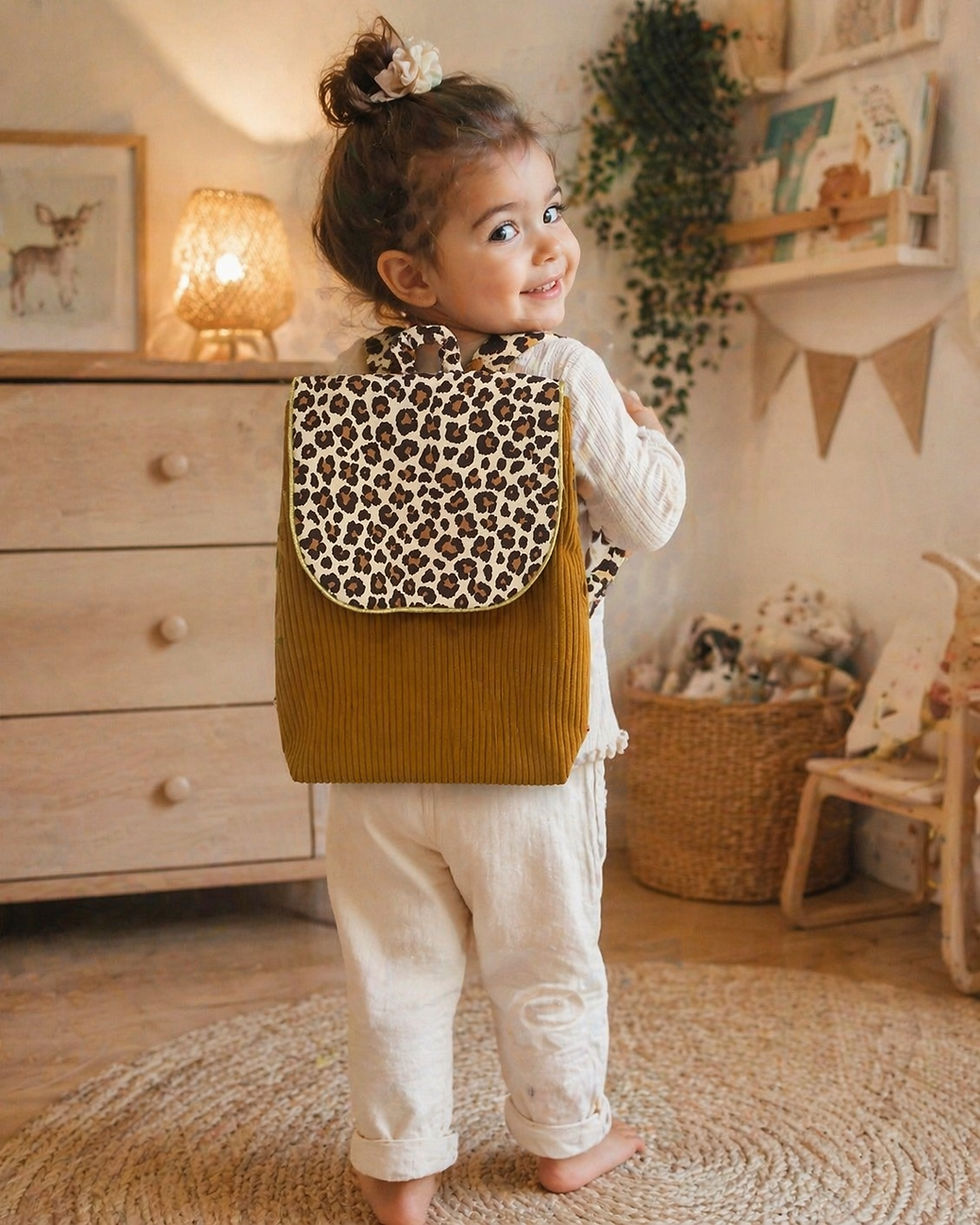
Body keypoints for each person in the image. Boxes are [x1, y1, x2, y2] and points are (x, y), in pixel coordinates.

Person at [304, 17, 686, 1225]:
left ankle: (398, 1165)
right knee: (542, 957)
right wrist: (642, 432)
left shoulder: (346, 385)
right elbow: (649, 515)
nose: (549, 245)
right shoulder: (560, 372)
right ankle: (566, 1136)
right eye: (503, 228)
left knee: (394, 970)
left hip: (373, 748)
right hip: (523, 745)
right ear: (410, 273)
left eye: (548, 209)